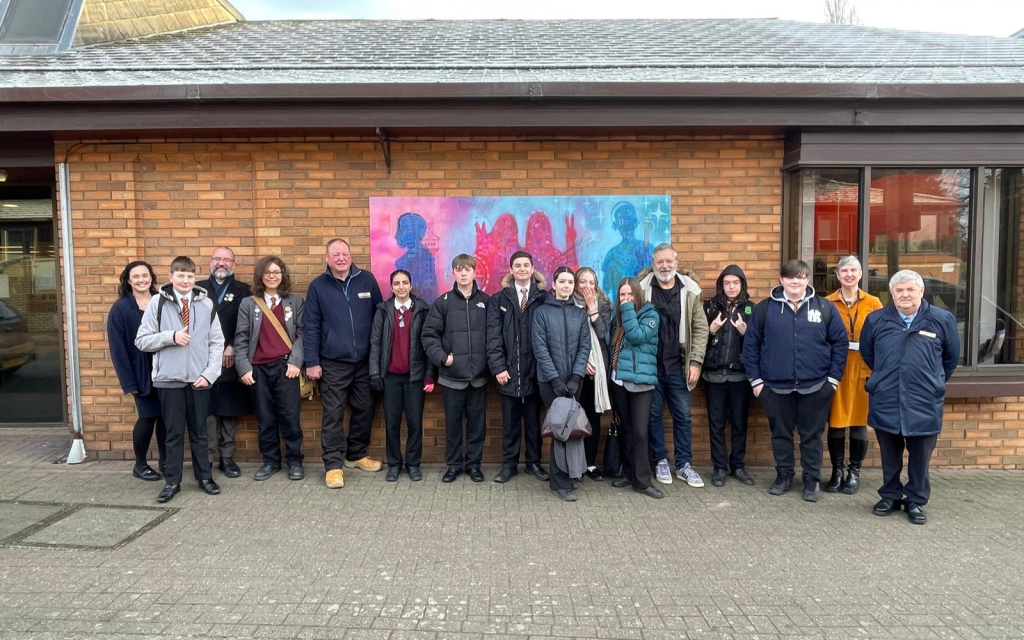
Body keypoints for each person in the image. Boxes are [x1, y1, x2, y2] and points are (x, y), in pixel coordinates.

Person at [743, 259, 848, 502]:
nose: (795, 281)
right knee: (781, 435)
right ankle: (784, 476)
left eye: (800, 277)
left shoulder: (824, 308)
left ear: (807, 280)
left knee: (812, 437)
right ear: (781, 280)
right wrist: (757, 382)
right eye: (790, 277)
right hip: (775, 388)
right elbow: (751, 346)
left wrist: (832, 380)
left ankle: (811, 481)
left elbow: (840, 343)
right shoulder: (764, 309)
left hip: (816, 386)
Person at [861, 270, 959, 525]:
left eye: (910, 290)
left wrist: (932, 381)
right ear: (891, 294)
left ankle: (915, 500)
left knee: (920, 456)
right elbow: (868, 355)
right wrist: (884, 378)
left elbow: (950, 359)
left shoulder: (941, 319)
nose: (905, 295)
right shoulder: (876, 320)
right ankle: (890, 495)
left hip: (924, 400)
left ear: (921, 291)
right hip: (887, 398)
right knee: (889, 454)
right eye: (899, 290)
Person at [135, 256, 225, 503]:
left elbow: (217, 342)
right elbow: (141, 340)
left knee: (199, 432)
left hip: (199, 380)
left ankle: (204, 477)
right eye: (181, 275)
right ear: (171, 277)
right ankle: (172, 481)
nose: (185, 280)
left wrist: (209, 374)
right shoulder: (158, 303)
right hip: (169, 380)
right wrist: (171, 337)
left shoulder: (206, 303)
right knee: (173, 434)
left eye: (190, 276)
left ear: (195, 278)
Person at [304, 238, 384, 489]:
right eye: (335, 254)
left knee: (365, 407)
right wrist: (311, 361)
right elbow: (311, 326)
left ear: (351, 256)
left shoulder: (367, 280)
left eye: (345, 253)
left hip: (364, 361)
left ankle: (356, 454)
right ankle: (333, 466)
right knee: (333, 414)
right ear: (327, 258)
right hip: (333, 362)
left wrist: (378, 356)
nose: (341, 258)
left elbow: (379, 318)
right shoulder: (318, 286)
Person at [639, 243, 709, 488]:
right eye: (660, 262)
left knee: (683, 416)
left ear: (676, 263)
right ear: (653, 264)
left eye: (669, 261)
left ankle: (684, 465)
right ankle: (660, 460)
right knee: (653, 414)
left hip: (679, 365)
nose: (664, 266)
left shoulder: (690, 291)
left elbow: (701, 329)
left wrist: (696, 361)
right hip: (650, 366)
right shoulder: (643, 289)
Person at [234, 256, 306, 482]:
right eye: (267, 272)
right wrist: (243, 368)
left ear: (283, 275)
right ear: (261, 276)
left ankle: (294, 461)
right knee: (265, 418)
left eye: (276, 272)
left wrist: (295, 361)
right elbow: (241, 338)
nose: (272, 276)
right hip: (258, 370)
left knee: (290, 417)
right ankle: (271, 461)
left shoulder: (295, 302)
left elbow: (304, 334)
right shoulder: (249, 303)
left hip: (287, 368)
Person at [421, 254, 491, 483]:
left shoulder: (486, 302)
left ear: (474, 272)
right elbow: (429, 335)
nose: (463, 273)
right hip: (452, 378)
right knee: (452, 425)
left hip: (478, 378)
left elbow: (494, 336)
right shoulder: (443, 302)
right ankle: (453, 465)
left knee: (476, 425)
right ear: (453, 273)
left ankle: (473, 465)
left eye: (467, 269)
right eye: (458, 269)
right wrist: (443, 359)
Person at [485, 251, 549, 484]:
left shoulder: (544, 298)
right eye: (517, 266)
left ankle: (534, 464)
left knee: (534, 424)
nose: (522, 269)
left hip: (535, 373)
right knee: (510, 425)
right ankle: (509, 466)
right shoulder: (499, 300)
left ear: (532, 269)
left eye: (526, 265)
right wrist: (499, 368)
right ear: (510, 270)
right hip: (508, 373)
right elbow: (492, 338)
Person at [824, 256, 883, 494]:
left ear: (860, 274)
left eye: (853, 270)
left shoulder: (874, 303)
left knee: (859, 423)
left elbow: (882, 336)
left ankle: (854, 472)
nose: (849, 274)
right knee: (836, 423)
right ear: (838, 276)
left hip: (863, 369)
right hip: (837, 368)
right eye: (844, 271)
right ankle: (836, 471)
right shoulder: (827, 303)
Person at [532, 266, 591, 501]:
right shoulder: (542, 312)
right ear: (553, 285)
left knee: (572, 429)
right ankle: (559, 481)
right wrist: (555, 379)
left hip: (574, 381)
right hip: (550, 381)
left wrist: (576, 377)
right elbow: (540, 348)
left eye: (570, 282)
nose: (566, 286)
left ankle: (570, 474)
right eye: (562, 282)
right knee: (559, 429)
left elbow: (583, 347)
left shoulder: (580, 314)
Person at [369, 269, 434, 482]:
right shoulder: (383, 311)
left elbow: (429, 345)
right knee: (392, 423)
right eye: (396, 283)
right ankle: (394, 464)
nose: (401, 287)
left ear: (411, 285)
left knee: (415, 423)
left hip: (415, 378)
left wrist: (429, 375)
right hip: (390, 378)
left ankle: (413, 464)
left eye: (405, 282)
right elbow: (375, 343)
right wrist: (375, 373)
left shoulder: (422, 310)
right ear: (391, 287)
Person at [107, 260, 166, 481]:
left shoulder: (163, 301)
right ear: (128, 280)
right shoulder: (121, 308)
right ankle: (140, 465)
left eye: (145, 275)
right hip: (140, 374)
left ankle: (166, 462)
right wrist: (128, 383)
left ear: (151, 277)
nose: (141, 280)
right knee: (148, 417)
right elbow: (118, 349)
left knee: (166, 419)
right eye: (136, 276)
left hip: (165, 370)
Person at [196, 246, 252, 479]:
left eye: (227, 260)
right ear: (210, 262)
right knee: (206, 412)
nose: (222, 263)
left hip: (230, 359)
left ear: (234, 265)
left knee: (229, 411)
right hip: (202, 359)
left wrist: (231, 344)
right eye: (217, 259)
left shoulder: (244, 290)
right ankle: (206, 460)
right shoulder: (197, 289)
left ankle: (227, 459)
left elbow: (247, 324)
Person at [608, 277, 664, 499]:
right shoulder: (618, 317)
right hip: (619, 380)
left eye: (630, 295)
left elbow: (636, 336)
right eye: (622, 295)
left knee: (640, 432)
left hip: (642, 382)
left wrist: (627, 309)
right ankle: (629, 473)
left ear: (638, 295)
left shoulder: (651, 315)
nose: (626, 299)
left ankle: (643, 481)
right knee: (627, 430)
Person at [701, 265, 756, 488]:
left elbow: (761, 344)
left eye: (735, 282)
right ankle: (719, 467)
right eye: (727, 283)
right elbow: (697, 340)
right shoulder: (710, 307)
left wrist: (746, 332)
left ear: (742, 284)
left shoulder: (752, 309)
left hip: (740, 377)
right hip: (714, 376)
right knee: (716, 424)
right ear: (721, 285)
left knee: (739, 423)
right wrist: (710, 330)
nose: (731, 287)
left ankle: (738, 465)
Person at [573, 266, 612, 481]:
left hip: (597, 370)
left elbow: (603, 333)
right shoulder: (568, 303)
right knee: (574, 416)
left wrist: (592, 308)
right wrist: (582, 361)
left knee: (593, 417)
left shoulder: (604, 304)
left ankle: (590, 463)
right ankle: (575, 463)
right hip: (575, 369)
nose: (587, 286)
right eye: (583, 282)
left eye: (591, 282)